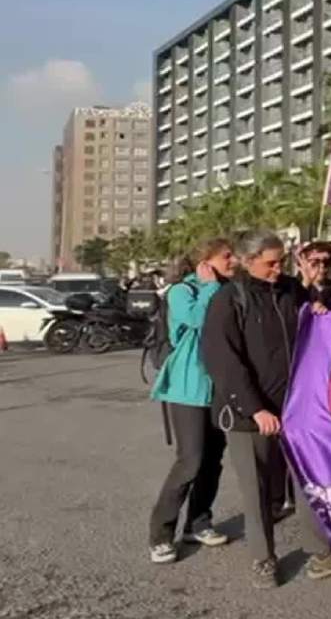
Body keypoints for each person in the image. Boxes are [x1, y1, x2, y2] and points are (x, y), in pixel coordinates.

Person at [201, 231, 331, 588]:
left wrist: (318, 310)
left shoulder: (292, 289)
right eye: (271, 263)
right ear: (249, 261)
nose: (279, 269)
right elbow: (223, 360)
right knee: (258, 491)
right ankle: (263, 559)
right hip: (251, 417)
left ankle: (321, 551)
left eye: (281, 261)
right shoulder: (229, 299)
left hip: (297, 409)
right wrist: (255, 409)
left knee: (307, 482)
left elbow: (315, 327)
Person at [147, 238, 237, 565]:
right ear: (205, 262)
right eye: (226, 256)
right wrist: (210, 287)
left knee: (213, 459)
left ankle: (198, 522)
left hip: (218, 388)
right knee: (190, 460)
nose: (233, 260)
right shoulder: (181, 292)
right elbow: (199, 320)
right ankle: (161, 534)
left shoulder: (228, 289)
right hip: (187, 388)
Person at [295, 241, 331, 309]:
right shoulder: (291, 289)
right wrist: (306, 282)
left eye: (326, 262)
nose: (322, 265)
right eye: (315, 262)